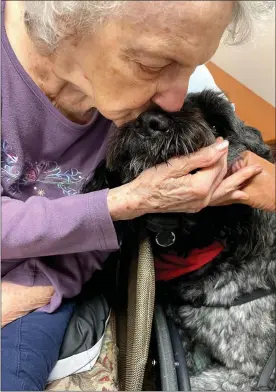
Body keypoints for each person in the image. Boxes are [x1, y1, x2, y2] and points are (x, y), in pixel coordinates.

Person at [1, 0, 275, 390]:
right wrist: (126, 203)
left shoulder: (149, 81)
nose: (175, 100)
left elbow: (251, 157)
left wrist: (39, 285)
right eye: (151, 65)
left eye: (193, 66)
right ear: (66, 20)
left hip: (39, 282)